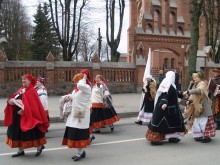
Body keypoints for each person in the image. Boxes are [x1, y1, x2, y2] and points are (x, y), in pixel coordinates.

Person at [4, 74, 49, 157]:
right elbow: (13, 97)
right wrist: (11, 101)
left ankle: (39, 147)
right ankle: (20, 150)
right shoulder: (22, 89)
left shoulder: (32, 91)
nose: (23, 81)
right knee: (17, 132)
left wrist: (25, 110)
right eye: (22, 79)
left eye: (25, 79)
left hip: (30, 116)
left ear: (30, 81)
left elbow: (34, 105)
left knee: (33, 132)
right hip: (18, 115)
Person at [146, 71, 185, 145]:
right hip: (165, 109)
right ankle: (154, 140)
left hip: (170, 109)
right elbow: (165, 95)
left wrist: (182, 94)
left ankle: (172, 137)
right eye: (174, 76)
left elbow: (175, 92)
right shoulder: (168, 85)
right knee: (161, 124)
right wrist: (164, 103)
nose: (174, 78)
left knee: (173, 123)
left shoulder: (170, 84)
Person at [62, 73, 91, 161]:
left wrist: (83, 78)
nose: (76, 83)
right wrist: (67, 97)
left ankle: (81, 152)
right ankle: (80, 152)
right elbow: (75, 96)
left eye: (77, 80)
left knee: (79, 133)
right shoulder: (78, 89)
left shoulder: (86, 87)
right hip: (75, 112)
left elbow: (80, 85)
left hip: (81, 112)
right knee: (74, 131)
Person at [183, 72, 216, 143]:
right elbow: (193, 96)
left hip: (203, 106)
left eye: (196, 77)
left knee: (204, 122)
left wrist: (188, 91)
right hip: (197, 106)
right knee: (197, 122)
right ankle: (198, 136)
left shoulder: (203, 83)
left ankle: (207, 137)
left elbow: (199, 91)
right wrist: (189, 101)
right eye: (194, 77)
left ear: (200, 77)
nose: (194, 79)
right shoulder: (195, 84)